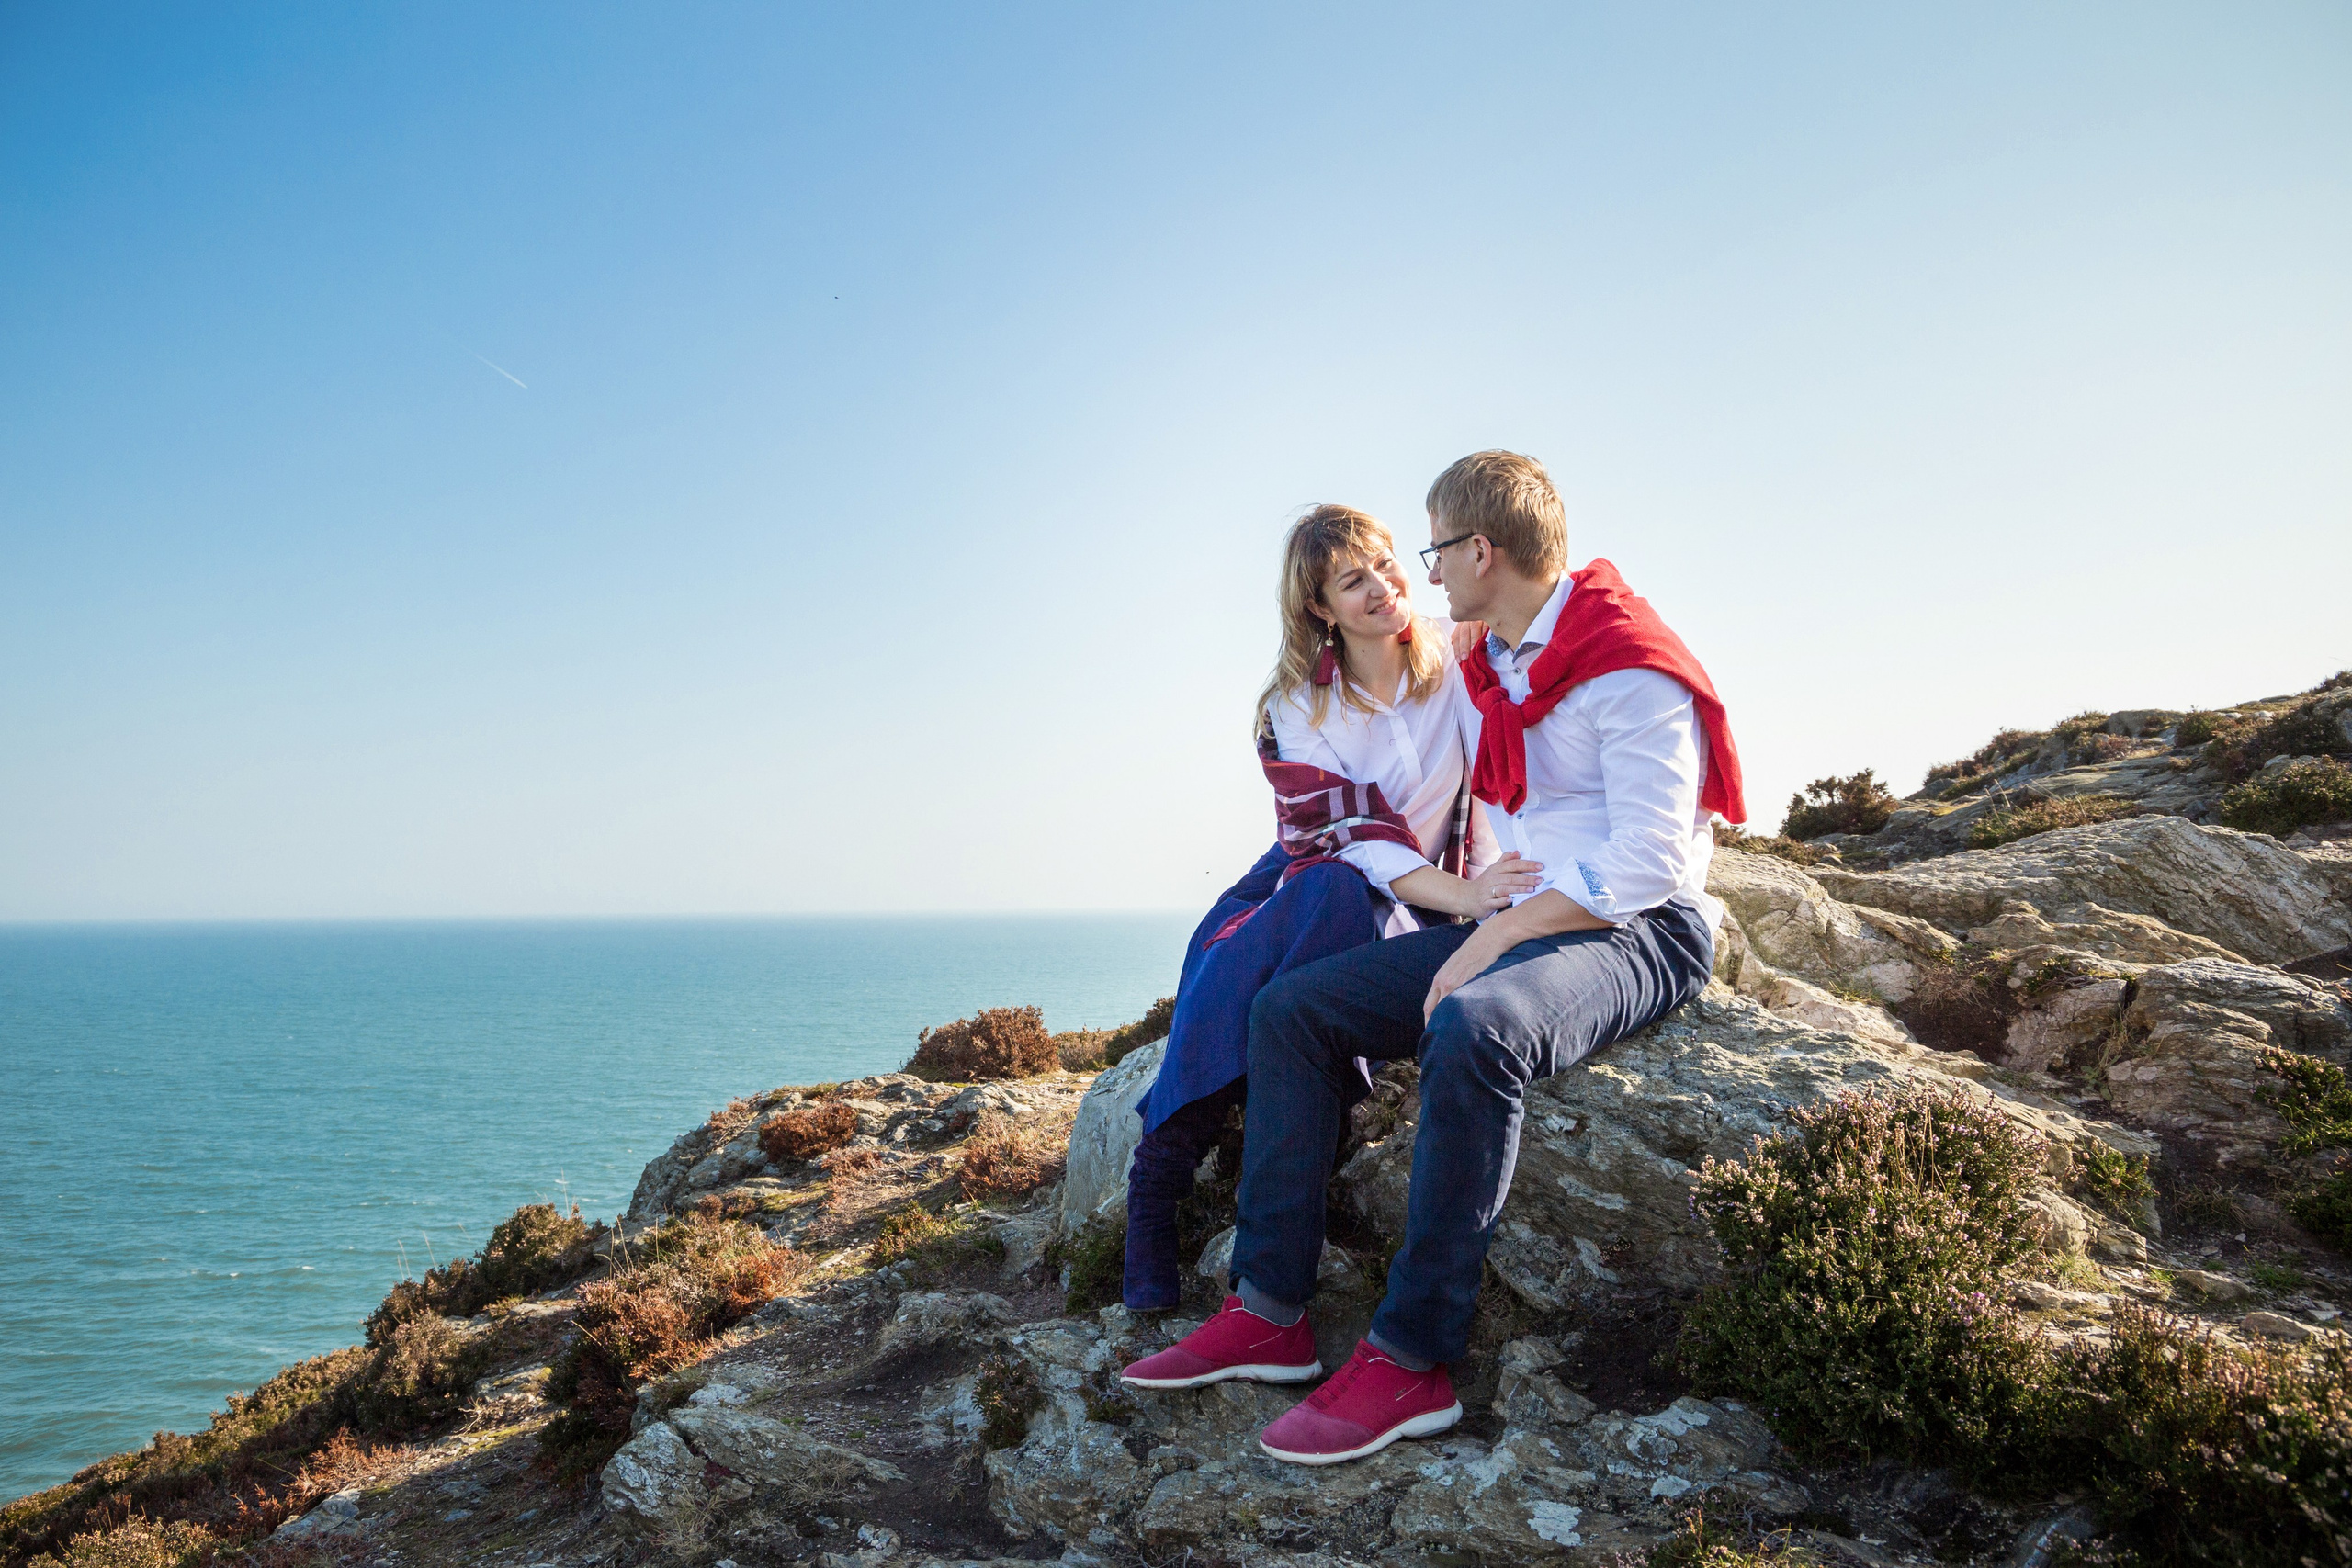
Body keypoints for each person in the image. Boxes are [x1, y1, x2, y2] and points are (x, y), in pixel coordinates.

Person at [1121, 451, 1747, 1466]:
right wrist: (1476, 910)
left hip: (1640, 927)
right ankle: (1270, 1307)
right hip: (1519, 910)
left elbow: (1648, 861)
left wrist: (1491, 934)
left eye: (1430, 549)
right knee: (1291, 1009)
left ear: (1478, 549)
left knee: (1477, 1024)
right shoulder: (1493, 656)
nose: (1420, 575)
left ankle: (1411, 1356)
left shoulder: (1624, 661)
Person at [1118, 503, 1540, 1319]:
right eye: (1355, 580)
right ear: (1319, 607)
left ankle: (1291, 1115)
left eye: (1387, 564)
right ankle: (1161, 1174)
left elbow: (1495, 782)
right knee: (1315, 904)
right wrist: (1461, 898)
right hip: (1318, 877)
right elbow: (1348, 839)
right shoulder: (1294, 708)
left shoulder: (1458, 662)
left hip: (1415, 900)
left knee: (1329, 920)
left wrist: (1493, 892)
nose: (1385, 587)